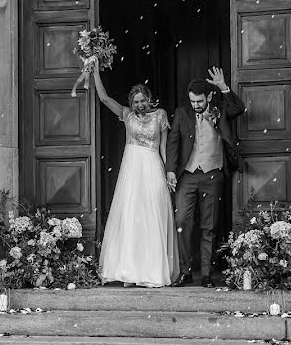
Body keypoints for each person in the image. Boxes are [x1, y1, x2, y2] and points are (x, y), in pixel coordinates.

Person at [91, 64, 179, 287]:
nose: (140, 105)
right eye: (136, 101)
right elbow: (104, 98)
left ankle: (150, 270)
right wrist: (95, 73)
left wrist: (169, 172)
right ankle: (128, 270)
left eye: (143, 100)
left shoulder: (160, 115)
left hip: (152, 165)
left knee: (152, 216)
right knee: (131, 216)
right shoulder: (126, 114)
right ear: (131, 103)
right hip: (131, 169)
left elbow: (164, 147)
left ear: (149, 99)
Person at [166, 67, 246, 288]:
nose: (195, 106)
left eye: (199, 101)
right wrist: (171, 170)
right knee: (182, 222)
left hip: (213, 174)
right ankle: (185, 271)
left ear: (209, 97)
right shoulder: (182, 113)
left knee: (208, 226)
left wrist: (223, 87)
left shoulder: (220, 108)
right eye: (192, 101)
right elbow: (173, 142)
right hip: (187, 175)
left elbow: (239, 108)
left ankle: (207, 273)